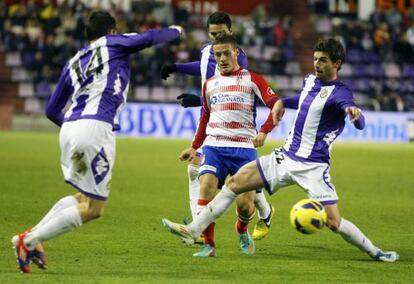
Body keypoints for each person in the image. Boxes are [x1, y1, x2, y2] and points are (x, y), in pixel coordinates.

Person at [162, 38, 399, 262]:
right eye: (316, 58)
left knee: (334, 223)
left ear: (337, 63)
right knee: (235, 184)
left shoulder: (341, 93)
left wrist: (355, 115)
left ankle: (376, 252)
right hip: (284, 157)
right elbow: (302, 99)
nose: (317, 63)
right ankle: (194, 231)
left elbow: (356, 118)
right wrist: (280, 103)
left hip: (312, 166)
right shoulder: (309, 81)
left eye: (323, 60)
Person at [11, 10, 183, 273]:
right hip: (95, 127)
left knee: (82, 197)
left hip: (69, 128)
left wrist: (74, 127)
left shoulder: (74, 60)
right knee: (94, 208)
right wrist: (176, 31)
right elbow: (148, 38)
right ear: (112, 31)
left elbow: (51, 110)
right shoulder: (113, 42)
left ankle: (27, 237)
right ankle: (30, 240)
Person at [160, 11, 275, 241]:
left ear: (230, 33)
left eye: (221, 33)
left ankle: (259, 212)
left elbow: (228, 87)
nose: (216, 39)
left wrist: (199, 102)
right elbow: (203, 66)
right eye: (212, 34)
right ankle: (201, 229)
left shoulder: (237, 59)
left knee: (235, 186)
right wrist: (177, 67)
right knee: (200, 170)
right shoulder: (209, 50)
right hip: (214, 122)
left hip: (234, 127)